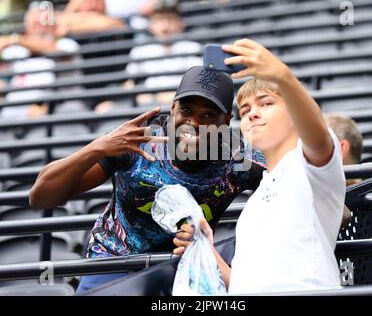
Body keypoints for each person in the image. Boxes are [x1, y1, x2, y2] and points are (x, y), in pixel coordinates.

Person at [29, 66, 267, 293]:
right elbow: (40, 198)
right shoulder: (136, 141)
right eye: (186, 110)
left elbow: (291, 181)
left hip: (184, 268)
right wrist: (97, 148)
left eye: (208, 115)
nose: (194, 123)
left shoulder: (237, 158)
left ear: (225, 121)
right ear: (172, 108)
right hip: (114, 263)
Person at [174, 38, 346, 294]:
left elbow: (318, 137)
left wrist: (281, 75)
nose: (252, 114)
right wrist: (207, 250)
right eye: (245, 110)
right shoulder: (256, 200)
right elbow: (245, 284)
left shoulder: (309, 165)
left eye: (266, 103)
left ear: (295, 114)